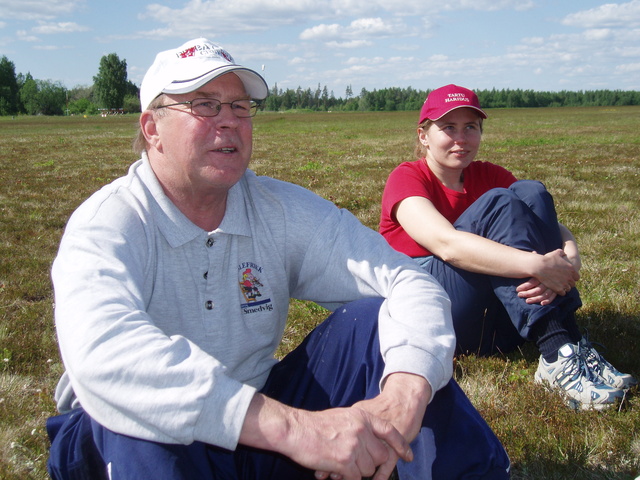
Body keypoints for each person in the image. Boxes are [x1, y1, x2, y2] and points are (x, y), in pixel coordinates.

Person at [45, 41, 511, 480]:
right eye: (204, 105)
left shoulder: (277, 209)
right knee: (137, 414)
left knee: (374, 320)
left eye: (240, 107)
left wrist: (405, 392)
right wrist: (296, 431)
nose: (228, 122)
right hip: (132, 438)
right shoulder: (110, 223)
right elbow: (108, 357)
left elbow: (410, 281)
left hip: (256, 418)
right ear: (152, 129)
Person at [380, 84, 637, 412]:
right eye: (448, 127)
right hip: (435, 315)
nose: (461, 137)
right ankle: (556, 348)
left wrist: (570, 254)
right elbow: (447, 246)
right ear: (423, 136)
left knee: (531, 192)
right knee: (501, 203)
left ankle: (570, 344)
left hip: (497, 326)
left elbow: (542, 223)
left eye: (470, 127)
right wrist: (536, 266)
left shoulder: (488, 174)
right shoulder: (407, 177)